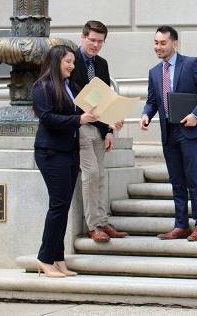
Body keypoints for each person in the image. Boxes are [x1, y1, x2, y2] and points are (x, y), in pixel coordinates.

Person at [140, 25, 197, 242]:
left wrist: (195, 114)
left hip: (190, 129)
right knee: (176, 179)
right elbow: (152, 101)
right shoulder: (154, 72)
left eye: (163, 43)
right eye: (155, 43)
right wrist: (146, 114)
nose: (158, 47)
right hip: (168, 131)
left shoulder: (191, 64)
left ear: (174, 43)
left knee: (193, 178)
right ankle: (181, 225)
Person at [33, 44, 99, 277]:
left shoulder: (70, 87)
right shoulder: (42, 87)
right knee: (58, 206)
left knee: (62, 207)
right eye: (67, 62)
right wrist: (79, 120)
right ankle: (44, 259)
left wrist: (109, 121)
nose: (72, 66)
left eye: (73, 61)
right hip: (51, 152)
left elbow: (86, 113)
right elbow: (49, 118)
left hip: (69, 152)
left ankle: (58, 259)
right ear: (55, 62)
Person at [71, 20, 128, 242]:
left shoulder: (102, 64)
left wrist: (109, 130)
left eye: (100, 41)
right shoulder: (70, 60)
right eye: (92, 40)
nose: (95, 45)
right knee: (91, 174)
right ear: (82, 37)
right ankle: (93, 226)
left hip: (99, 126)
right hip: (81, 124)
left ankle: (103, 222)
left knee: (101, 175)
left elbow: (104, 99)